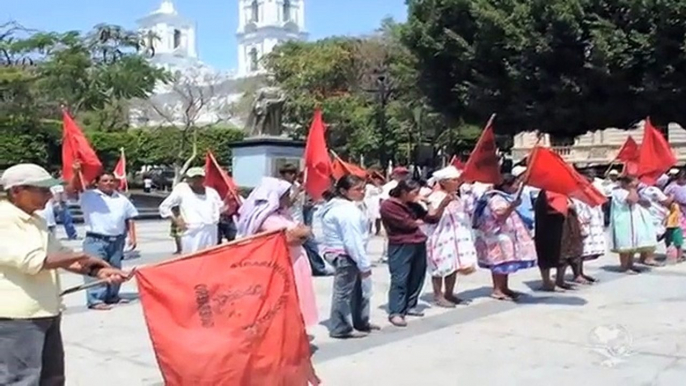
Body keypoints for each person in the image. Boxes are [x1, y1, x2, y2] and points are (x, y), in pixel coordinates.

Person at [0, 163, 129, 385]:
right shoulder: (5, 219)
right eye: (42, 190)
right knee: (21, 379)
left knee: (52, 378)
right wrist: (84, 256)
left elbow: (59, 254)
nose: (49, 195)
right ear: (16, 191)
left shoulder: (36, 220)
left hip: (45, 310)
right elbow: (35, 261)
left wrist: (97, 271)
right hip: (17, 317)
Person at [236, 177, 318, 329]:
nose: (289, 198)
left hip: (294, 262)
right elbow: (293, 237)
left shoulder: (281, 214)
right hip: (283, 266)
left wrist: (302, 231)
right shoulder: (267, 219)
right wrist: (305, 231)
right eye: (286, 195)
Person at [68, 162, 139, 311]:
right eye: (105, 181)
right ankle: (95, 299)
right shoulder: (88, 195)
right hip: (96, 240)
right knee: (96, 269)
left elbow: (129, 218)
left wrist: (132, 236)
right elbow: (72, 190)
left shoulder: (122, 199)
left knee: (115, 269)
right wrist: (76, 173)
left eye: (111, 180)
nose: (109, 183)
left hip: (117, 240)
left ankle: (112, 295)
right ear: (97, 183)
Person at [380, 179, 450, 327]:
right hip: (401, 245)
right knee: (400, 278)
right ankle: (396, 312)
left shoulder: (413, 205)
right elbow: (407, 224)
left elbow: (431, 219)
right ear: (404, 192)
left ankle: (410, 305)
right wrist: (418, 221)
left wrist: (436, 204)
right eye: (415, 193)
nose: (418, 195)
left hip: (418, 243)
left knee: (417, 276)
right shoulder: (389, 205)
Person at [320, 175, 379, 339]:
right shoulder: (346, 211)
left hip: (343, 252)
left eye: (363, 189)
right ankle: (341, 327)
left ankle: (360, 321)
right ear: (343, 191)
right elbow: (352, 241)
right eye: (358, 189)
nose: (362, 192)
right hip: (345, 254)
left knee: (359, 290)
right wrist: (364, 264)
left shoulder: (342, 206)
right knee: (344, 293)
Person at [472, 174, 537, 301]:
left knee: (506, 262)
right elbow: (500, 215)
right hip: (498, 237)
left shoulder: (505, 197)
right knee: (498, 262)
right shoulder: (497, 199)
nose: (517, 187)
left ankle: (504, 287)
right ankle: (497, 289)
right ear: (506, 185)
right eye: (515, 184)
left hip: (506, 235)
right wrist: (512, 206)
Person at [424, 166, 477, 307]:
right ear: (444, 182)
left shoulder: (457, 197)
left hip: (456, 238)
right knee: (439, 266)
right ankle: (438, 295)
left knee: (452, 266)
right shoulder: (434, 197)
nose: (457, 182)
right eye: (454, 180)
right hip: (440, 236)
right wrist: (443, 204)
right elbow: (432, 216)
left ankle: (449, 292)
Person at [159, 167, 223, 254]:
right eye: (194, 177)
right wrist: (176, 220)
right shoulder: (182, 191)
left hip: (210, 230)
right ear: (188, 178)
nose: (197, 180)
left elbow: (221, 208)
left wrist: (230, 201)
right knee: (192, 258)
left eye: (200, 177)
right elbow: (164, 207)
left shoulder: (211, 192)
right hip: (192, 231)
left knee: (209, 257)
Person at [534, 191, 583, 291]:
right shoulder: (545, 194)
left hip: (565, 229)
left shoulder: (563, 193)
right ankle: (546, 282)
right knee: (546, 255)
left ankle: (560, 280)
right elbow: (546, 210)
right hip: (549, 229)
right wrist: (566, 208)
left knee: (564, 254)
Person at [610, 175, 656, 273]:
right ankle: (624, 266)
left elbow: (645, 203)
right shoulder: (618, 192)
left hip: (633, 221)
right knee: (625, 244)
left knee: (632, 244)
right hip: (623, 221)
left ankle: (630, 264)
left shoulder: (632, 191)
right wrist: (633, 189)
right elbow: (631, 200)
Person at [573, 195, 606, 283]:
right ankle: (577, 274)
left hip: (590, 222)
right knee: (579, 249)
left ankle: (580, 272)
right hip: (581, 221)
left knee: (583, 250)